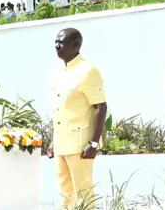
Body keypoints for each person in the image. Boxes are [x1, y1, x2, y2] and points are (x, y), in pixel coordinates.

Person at [48, 28, 108, 210]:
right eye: (56, 42)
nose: (57, 46)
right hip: (61, 143)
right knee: (65, 193)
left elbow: (100, 107)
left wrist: (94, 143)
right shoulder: (57, 71)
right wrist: (53, 141)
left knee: (83, 194)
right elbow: (61, 109)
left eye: (62, 42)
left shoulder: (88, 70)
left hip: (80, 145)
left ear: (76, 45)